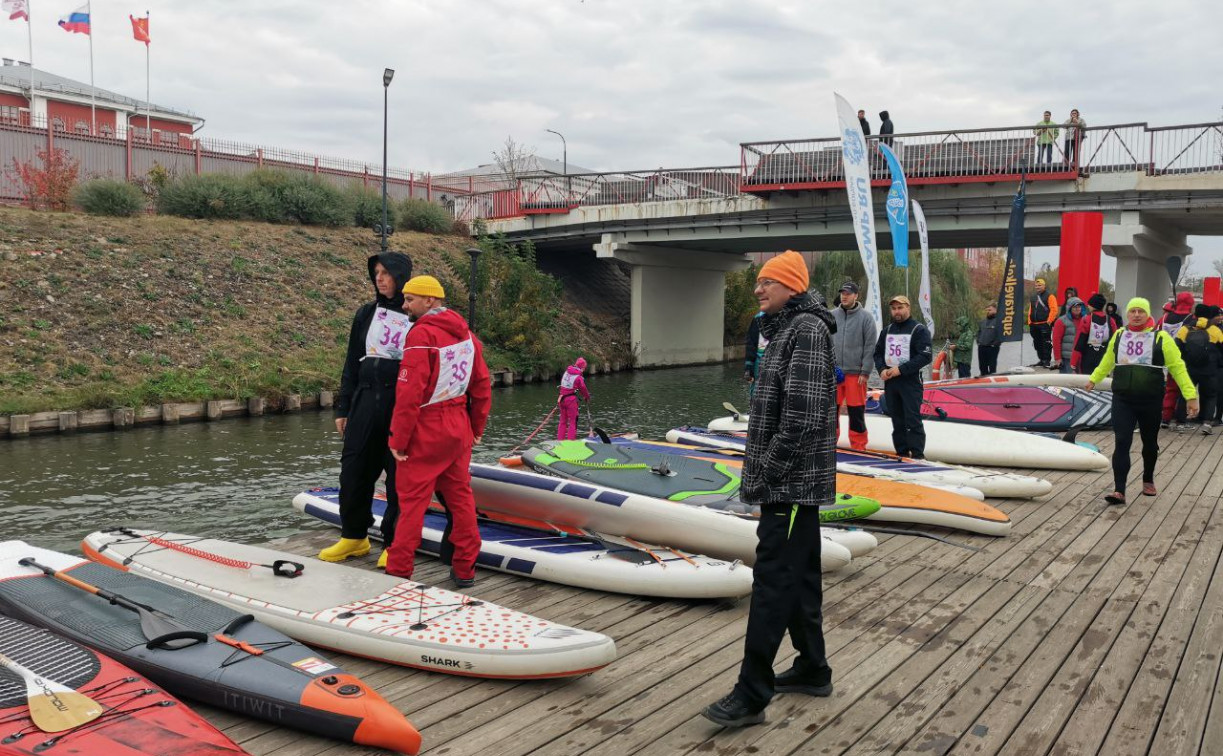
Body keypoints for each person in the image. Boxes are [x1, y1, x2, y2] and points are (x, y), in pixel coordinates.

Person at [702, 251, 835, 728]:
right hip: (787, 485)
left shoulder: (807, 332)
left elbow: (801, 420)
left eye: (767, 282)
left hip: (792, 487)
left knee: (772, 584)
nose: (758, 289)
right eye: (757, 282)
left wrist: (764, 475)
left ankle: (751, 693)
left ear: (792, 287)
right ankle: (813, 668)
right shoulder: (783, 329)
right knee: (798, 578)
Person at [387, 275, 492, 586]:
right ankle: (465, 568)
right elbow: (482, 384)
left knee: (412, 506)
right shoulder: (468, 337)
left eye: (410, 299)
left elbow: (409, 394)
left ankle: (398, 574)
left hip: (426, 428)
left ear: (430, 301)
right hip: (458, 425)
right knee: (460, 500)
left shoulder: (421, 335)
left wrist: (398, 439)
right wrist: (476, 426)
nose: (404, 305)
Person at [322, 251, 413, 567]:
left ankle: (395, 542)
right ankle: (354, 536)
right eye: (376, 272)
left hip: (399, 405)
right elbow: (351, 361)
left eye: (386, 273)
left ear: (401, 276)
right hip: (364, 401)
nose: (380, 278)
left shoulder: (415, 314)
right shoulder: (365, 313)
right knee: (353, 470)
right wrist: (343, 406)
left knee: (398, 478)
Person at [1087, 298, 1198, 505]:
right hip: (1123, 400)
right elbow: (1107, 361)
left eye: (1141, 311)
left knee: (1149, 442)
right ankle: (1119, 490)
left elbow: (1177, 367)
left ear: (1147, 314)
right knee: (1122, 441)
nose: (1136, 315)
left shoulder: (1161, 337)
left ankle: (1148, 477)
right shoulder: (1119, 335)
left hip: (1150, 400)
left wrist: (1190, 396)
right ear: (1127, 314)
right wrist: (1094, 379)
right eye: (1132, 311)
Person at [874, 295, 932, 458]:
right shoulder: (887, 330)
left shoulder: (919, 329)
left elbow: (925, 356)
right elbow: (877, 353)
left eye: (900, 308)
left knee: (912, 420)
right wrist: (881, 370)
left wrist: (902, 369)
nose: (897, 311)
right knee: (897, 420)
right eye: (893, 308)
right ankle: (901, 453)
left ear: (908, 308)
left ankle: (918, 455)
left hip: (910, 381)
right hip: (891, 382)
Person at [831, 281, 877, 450]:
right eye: (842, 292)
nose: (844, 296)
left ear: (856, 295)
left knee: (856, 413)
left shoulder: (866, 318)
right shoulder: (831, 316)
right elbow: (825, 343)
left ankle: (858, 446)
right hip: (834, 375)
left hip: (856, 376)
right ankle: (829, 443)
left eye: (848, 293)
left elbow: (870, 347)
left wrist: (865, 372)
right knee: (830, 413)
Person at [1174, 307, 1222, 434]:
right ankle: (1207, 423)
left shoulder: (1185, 329)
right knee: (1211, 395)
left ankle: (1180, 422)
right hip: (1209, 370)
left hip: (1189, 368)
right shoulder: (1215, 330)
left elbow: (1176, 348)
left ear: (1195, 315)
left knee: (1185, 394)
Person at [1157, 292, 1195, 428]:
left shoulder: (1165, 317)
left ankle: (1165, 418)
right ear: (1190, 304)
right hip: (1183, 358)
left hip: (1164, 356)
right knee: (1184, 387)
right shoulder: (1191, 318)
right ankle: (1181, 421)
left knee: (1169, 389)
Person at [1075, 293, 1116, 376]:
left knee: (1087, 384)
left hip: (1087, 359)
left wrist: (1074, 361)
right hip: (1104, 359)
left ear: (1094, 306)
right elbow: (1115, 341)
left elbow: (1079, 342)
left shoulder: (1086, 319)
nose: (1088, 306)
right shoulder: (1110, 320)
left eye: (1089, 304)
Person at [1026, 278, 1059, 368]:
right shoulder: (1033, 297)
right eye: (1036, 285)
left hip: (1045, 323)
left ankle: (1047, 360)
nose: (1038, 287)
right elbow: (1030, 310)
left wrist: (1049, 321)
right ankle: (1041, 359)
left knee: (1046, 343)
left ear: (1044, 286)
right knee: (1037, 343)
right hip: (1034, 325)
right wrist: (1029, 322)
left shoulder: (1050, 296)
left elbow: (1054, 309)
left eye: (1040, 285)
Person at [557, 357, 590, 440]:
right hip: (570, 400)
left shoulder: (566, 371)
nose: (584, 370)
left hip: (561, 399)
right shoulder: (578, 377)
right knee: (572, 422)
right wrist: (587, 397)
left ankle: (560, 441)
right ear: (582, 367)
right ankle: (570, 443)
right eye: (584, 368)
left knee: (562, 422)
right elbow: (583, 388)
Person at [1051, 297, 1085, 374]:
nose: (1077, 308)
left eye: (1079, 306)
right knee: (1067, 382)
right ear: (1069, 308)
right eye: (1074, 307)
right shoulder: (1061, 321)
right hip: (1067, 358)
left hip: (1082, 358)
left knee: (1081, 383)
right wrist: (1058, 358)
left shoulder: (1086, 320)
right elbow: (1056, 340)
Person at [744, 311, 767, 396]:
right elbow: (751, 344)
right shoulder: (758, 318)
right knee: (756, 390)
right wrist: (748, 368)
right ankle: (754, 407)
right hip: (760, 362)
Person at [977, 303, 1002, 376]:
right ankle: (983, 381)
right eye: (987, 310)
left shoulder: (999, 321)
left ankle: (992, 383)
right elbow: (978, 332)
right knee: (982, 367)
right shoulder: (982, 322)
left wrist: (995, 344)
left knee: (992, 367)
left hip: (992, 348)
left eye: (990, 310)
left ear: (995, 310)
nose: (988, 311)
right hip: (981, 347)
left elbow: (1001, 335)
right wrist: (978, 341)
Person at [948, 314, 975, 378]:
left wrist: (956, 347)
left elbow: (967, 346)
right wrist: (955, 345)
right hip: (961, 361)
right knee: (961, 378)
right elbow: (961, 344)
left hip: (964, 361)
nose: (957, 326)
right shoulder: (963, 334)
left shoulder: (969, 333)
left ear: (963, 324)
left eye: (959, 324)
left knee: (965, 379)